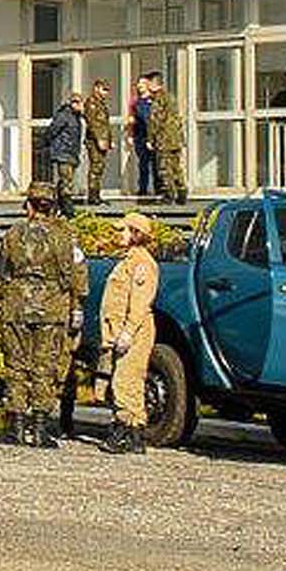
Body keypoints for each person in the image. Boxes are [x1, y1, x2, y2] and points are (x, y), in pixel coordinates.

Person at [0, 179, 87, 447]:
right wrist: (75, 306)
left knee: (17, 366)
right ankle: (40, 427)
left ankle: (16, 426)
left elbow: (1, 270)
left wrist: (0, 300)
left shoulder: (13, 233)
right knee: (44, 367)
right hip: (50, 309)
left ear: (29, 206)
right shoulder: (64, 237)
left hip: (17, 307)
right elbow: (75, 275)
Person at [97, 213, 162, 454]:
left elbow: (140, 301)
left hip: (134, 331)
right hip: (122, 330)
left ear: (136, 234)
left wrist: (128, 332)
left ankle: (123, 430)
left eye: (123, 230)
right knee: (129, 380)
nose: (118, 235)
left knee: (124, 381)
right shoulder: (128, 261)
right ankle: (135, 434)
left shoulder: (142, 263)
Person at [38, 91, 87, 211]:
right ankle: (67, 207)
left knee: (66, 180)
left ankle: (59, 203)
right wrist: (44, 143)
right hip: (63, 152)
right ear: (73, 103)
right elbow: (52, 130)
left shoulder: (76, 117)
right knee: (66, 180)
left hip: (71, 152)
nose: (81, 107)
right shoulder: (64, 115)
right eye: (79, 103)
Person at [148, 72, 191, 206]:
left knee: (164, 167)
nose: (148, 86)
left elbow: (156, 120)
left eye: (149, 83)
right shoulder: (170, 97)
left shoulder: (159, 99)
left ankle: (168, 195)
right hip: (175, 139)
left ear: (155, 84)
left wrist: (151, 139)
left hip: (164, 139)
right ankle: (182, 192)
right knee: (176, 167)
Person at [82, 79, 115, 207]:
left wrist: (109, 140)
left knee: (100, 168)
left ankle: (97, 194)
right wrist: (99, 140)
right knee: (95, 168)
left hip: (102, 140)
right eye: (104, 90)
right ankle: (93, 196)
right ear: (96, 88)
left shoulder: (102, 104)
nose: (105, 93)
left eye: (107, 90)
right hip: (94, 141)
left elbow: (105, 125)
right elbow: (93, 124)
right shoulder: (91, 102)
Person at [130, 76, 158, 197]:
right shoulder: (136, 102)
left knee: (156, 164)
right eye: (138, 83)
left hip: (152, 136)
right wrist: (130, 134)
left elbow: (151, 120)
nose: (139, 85)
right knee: (143, 164)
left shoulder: (154, 100)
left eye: (142, 83)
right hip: (140, 137)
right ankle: (143, 189)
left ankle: (159, 188)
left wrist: (151, 139)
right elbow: (133, 119)